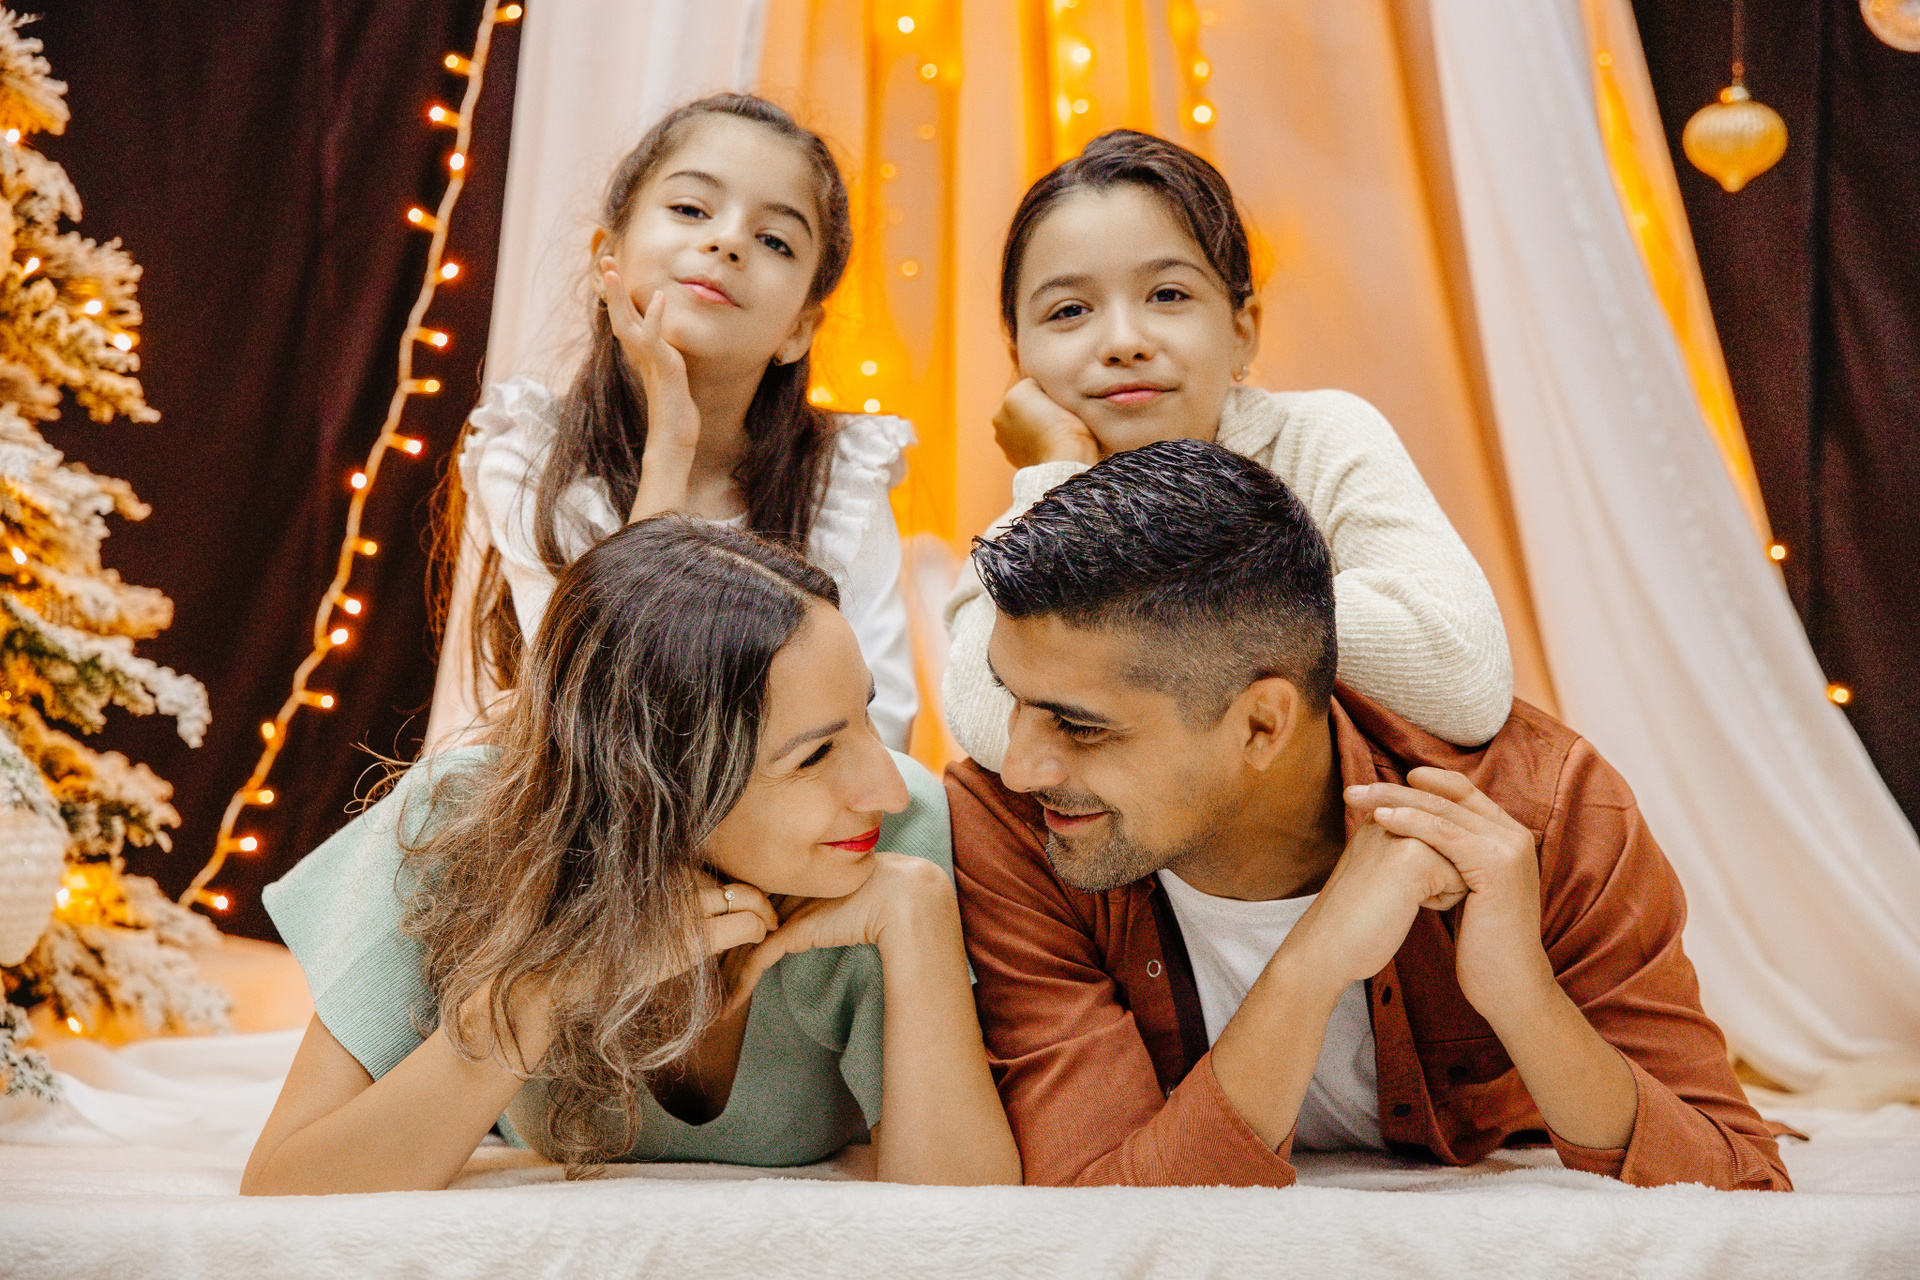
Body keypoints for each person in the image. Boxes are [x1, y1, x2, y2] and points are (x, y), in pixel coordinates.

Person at [949, 438, 1789, 1191]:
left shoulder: (1542, 810)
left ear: (1261, 725)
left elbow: (1738, 1181)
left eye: (1080, 726)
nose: (1019, 765)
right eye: (1011, 697)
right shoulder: (1010, 824)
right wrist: (1309, 968)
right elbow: (1095, 1210)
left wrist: (1523, 998)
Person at [243, 519, 1017, 1194]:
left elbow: (967, 1221)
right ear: (650, 788)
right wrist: (546, 990)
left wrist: (916, 917)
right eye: (814, 756)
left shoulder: (892, 844)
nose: (886, 787)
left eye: (864, 713)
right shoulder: (462, 826)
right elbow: (288, 1181)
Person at [944, 129, 1511, 769]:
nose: (1124, 341)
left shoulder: (1320, 436)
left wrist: (1153, 615)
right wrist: (1064, 482)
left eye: (1168, 295)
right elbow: (998, 734)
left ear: (1243, 330)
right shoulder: (1028, 515)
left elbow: (1464, 681)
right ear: (1019, 357)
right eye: (1070, 310)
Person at [450, 94, 917, 748]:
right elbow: (600, 720)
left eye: (774, 240)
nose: (727, 242)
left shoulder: (840, 479)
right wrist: (670, 446)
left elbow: (879, 733)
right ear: (607, 259)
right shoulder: (530, 453)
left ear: (799, 329)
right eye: (691, 209)